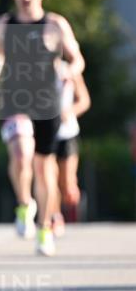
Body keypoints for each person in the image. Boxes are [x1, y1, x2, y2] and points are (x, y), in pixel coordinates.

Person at [0, 0, 84, 256]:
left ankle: (44, 227)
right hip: (15, 100)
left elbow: (77, 59)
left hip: (47, 103)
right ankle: (25, 203)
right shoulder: (5, 24)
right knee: (20, 154)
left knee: (44, 168)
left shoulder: (55, 24)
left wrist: (70, 71)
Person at [50, 63, 91, 232]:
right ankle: (55, 216)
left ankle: (75, 216)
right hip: (47, 133)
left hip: (68, 133)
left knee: (68, 185)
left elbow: (84, 100)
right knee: (49, 178)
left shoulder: (68, 70)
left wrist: (70, 112)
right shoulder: (35, 70)